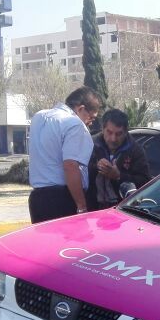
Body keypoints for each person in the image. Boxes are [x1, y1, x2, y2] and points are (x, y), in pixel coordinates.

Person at [27, 86, 102, 223]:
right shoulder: (74, 124)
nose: (90, 124)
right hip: (63, 199)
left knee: (45, 244)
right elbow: (70, 166)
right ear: (80, 109)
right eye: (91, 118)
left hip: (37, 199)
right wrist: (81, 206)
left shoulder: (39, 116)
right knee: (70, 244)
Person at [86, 109, 150, 211]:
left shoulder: (135, 150)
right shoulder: (90, 144)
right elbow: (79, 173)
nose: (113, 139)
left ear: (125, 132)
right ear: (103, 129)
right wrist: (97, 167)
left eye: (118, 134)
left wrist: (119, 176)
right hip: (92, 207)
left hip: (123, 209)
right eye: (109, 132)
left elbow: (144, 181)